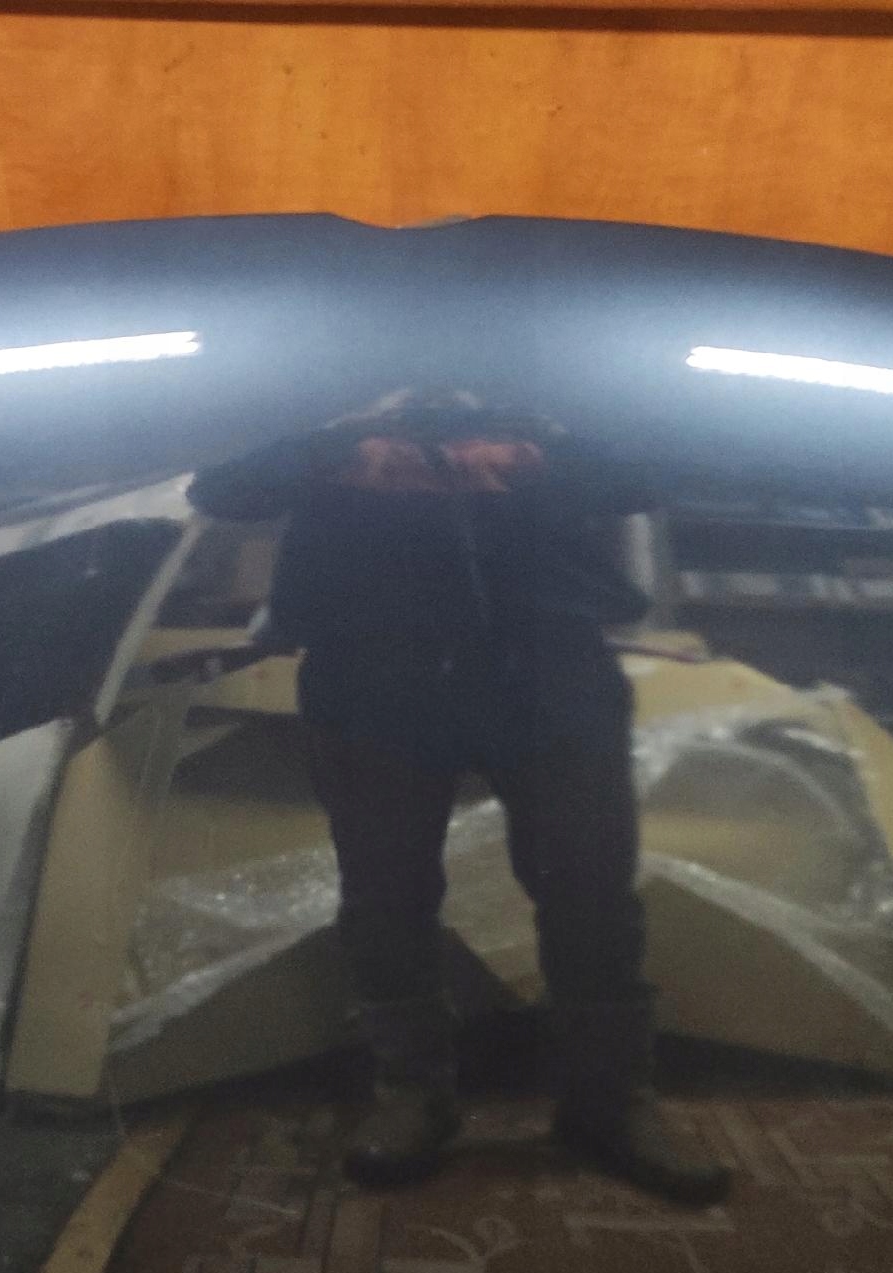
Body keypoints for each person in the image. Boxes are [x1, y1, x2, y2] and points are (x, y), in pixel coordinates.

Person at [191, 393, 729, 1203]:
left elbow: (643, 478)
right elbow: (222, 491)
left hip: (550, 669)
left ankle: (609, 1102)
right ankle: (413, 1095)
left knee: (591, 890)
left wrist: (527, 452)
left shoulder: (538, 413)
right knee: (385, 891)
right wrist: (346, 444)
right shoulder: (335, 421)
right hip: (371, 674)